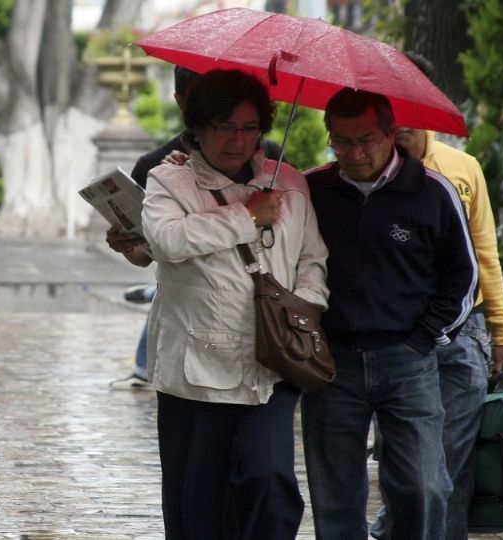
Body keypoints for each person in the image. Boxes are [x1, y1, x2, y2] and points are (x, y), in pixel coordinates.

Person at [143, 69, 329, 538]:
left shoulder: (288, 181)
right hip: (195, 368)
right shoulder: (169, 180)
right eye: (224, 127)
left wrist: (301, 308)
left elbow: (312, 258)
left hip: (272, 357)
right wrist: (245, 215)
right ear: (199, 128)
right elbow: (167, 240)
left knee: (270, 478)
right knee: (196, 497)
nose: (237, 140)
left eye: (248, 128)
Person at [302, 88, 478, 540]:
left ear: (390, 134)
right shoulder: (314, 189)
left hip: (408, 359)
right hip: (332, 361)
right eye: (340, 142)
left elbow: (463, 277)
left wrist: (424, 338)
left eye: (365, 140)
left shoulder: (431, 191)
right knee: (334, 493)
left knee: (423, 486)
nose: (354, 153)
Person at [369, 53, 503, 540]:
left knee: (449, 458)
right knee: (401, 456)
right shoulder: (363, 172)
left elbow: (485, 255)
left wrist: (502, 333)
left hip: (461, 332)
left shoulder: (462, 168)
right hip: (395, 334)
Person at [107, 66, 283, 388]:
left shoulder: (266, 158)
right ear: (182, 103)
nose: (236, 139)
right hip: (189, 316)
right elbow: (147, 254)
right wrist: (126, 244)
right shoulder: (156, 167)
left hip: (255, 312)